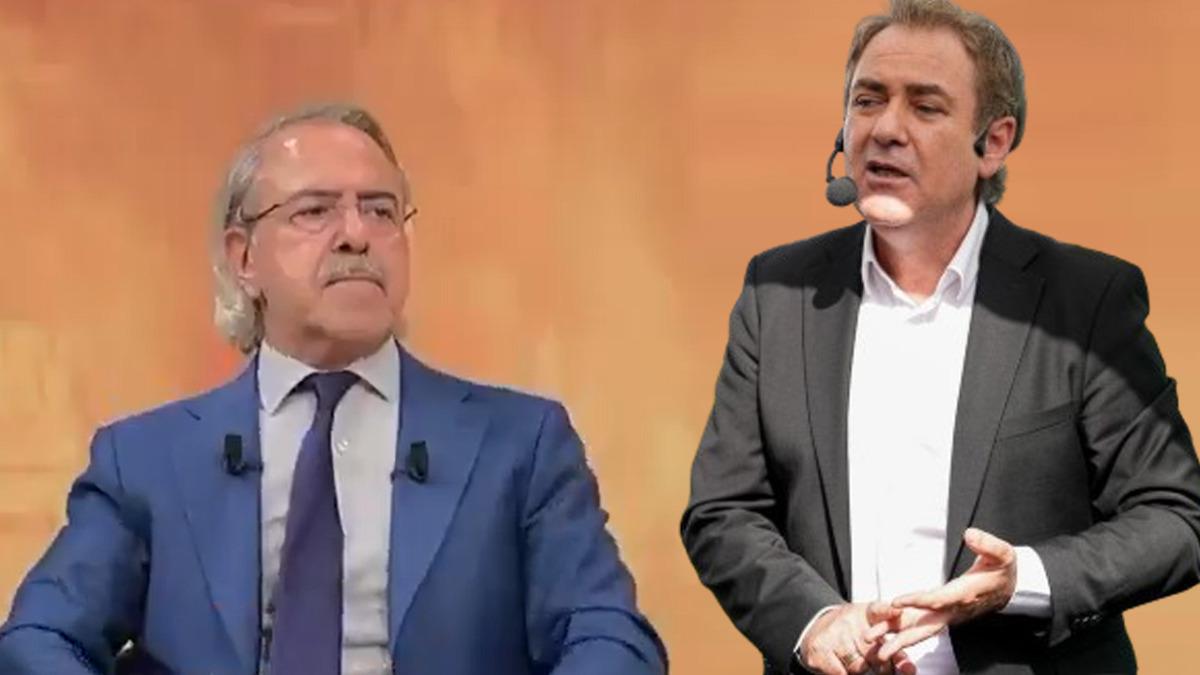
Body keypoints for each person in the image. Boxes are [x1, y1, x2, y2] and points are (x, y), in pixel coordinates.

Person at [0, 104, 666, 675]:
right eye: (315, 211)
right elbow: (39, 638)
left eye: (380, 210)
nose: (356, 235)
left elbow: (611, 639)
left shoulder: (521, 445)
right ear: (243, 257)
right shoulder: (145, 460)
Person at [680, 1, 1200, 673]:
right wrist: (815, 621)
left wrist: (1024, 579)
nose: (885, 129)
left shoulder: (1083, 302)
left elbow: (1175, 518)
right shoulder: (778, 293)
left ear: (994, 142)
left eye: (925, 107)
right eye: (867, 100)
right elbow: (723, 511)